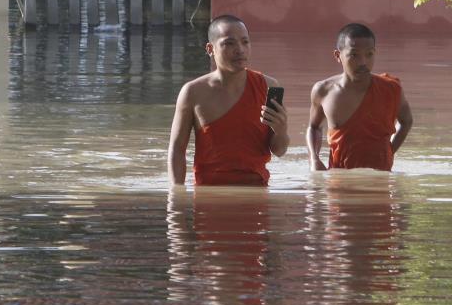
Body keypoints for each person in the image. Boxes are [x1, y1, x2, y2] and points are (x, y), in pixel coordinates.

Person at [168, 15, 289, 186]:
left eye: (245, 42)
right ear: (210, 49)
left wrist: (281, 130)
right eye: (229, 43)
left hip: (256, 191)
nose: (240, 50)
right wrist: (175, 200)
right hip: (208, 193)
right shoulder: (193, 92)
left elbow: (280, 151)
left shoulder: (268, 86)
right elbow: (177, 150)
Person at [307, 23, 413, 171]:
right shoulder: (323, 91)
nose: (363, 62)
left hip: (380, 182)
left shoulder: (391, 89)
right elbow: (314, 127)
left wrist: (390, 151)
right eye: (354, 55)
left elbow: (406, 121)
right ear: (338, 56)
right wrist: (314, 159)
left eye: (369, 54)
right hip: (339, 179)